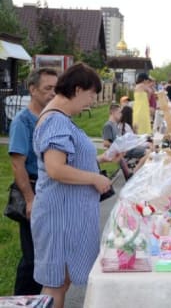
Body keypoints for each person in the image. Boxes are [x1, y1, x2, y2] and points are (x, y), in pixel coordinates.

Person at [31, 63, 121, 308]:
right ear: (78, 89)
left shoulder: (60, 118)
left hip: (66, 214)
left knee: (62, 280)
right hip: (58, 216)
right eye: (91, 94)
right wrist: (94, 178)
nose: (91, 101)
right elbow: (55, 168)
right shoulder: (56, 121)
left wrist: (100, 160)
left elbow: (68, 158)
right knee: (55, 283)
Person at [8, 68, 58, 296]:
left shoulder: (52, 118)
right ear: (32, 89)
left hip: (50, 191)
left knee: (46, 254)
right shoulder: (23, 122)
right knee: (32, 256)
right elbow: (18, 164)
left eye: (55, 89)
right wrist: (30, 199)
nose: (52, 93)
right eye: (47, 88)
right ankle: (22, 300)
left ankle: (42, 298)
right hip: (33, 189)